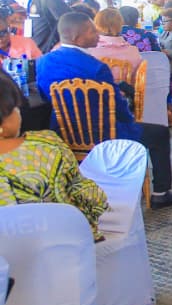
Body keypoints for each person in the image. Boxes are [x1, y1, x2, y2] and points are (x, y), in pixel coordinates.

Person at [35, 13, 172, 208]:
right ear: (76, 37)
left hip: (63, 133)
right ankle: (160, 193)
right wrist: (131, 121)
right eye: (91, 30)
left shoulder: (43, 62)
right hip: (105, 135)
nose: (97, 34)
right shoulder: (97, 67)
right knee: (159, 132)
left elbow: (45, 96)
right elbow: (118, 107)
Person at [0, 71, 109, 241]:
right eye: (15, 108)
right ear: (4, 119)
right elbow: (88, 195)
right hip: (65, 251)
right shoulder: (46, 145)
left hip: (10, 263)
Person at [87, 8, 143, 83]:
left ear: (96, 24)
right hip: (126, 93)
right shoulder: (134, 51)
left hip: (99, 93)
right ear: (121, 24)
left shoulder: (90, 52)